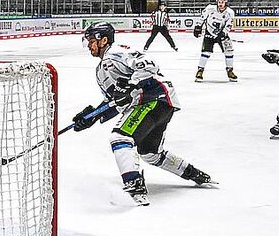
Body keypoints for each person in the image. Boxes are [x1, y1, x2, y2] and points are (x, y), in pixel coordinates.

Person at [72, 22, 214, 205]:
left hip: (155, 97)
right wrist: (91, 117)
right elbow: (115, 102)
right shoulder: (100, 71)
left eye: (91, 41)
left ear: (103, 40)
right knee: (150, 153)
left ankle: (135, 186)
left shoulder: (116, 52)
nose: (89, 46)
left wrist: (131, 84)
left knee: (120, 138)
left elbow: (149, 65)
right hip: (153, 104)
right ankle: (192, 173)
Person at [193, 0, 237, 81]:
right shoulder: (210, 8)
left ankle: (230, 70)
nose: (220, 4)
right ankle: (200, 70)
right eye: (219, 2)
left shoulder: (230, 12)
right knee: (206, 52)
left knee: (229, 51)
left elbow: (229, 25)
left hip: (221, 34)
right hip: (209, 33)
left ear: (226, 2)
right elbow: (202, 18)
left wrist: (224, 33)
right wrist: (198, 27)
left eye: (222, 2)